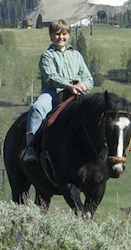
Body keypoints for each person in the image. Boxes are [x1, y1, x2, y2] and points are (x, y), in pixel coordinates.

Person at [22, 19, 93, 162]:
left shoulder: (76, 55)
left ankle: (100, 149)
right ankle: (30, 147)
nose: (61, 37)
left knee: (96, 112)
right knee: (37, 108)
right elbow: (50, 76)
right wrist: (68, 85)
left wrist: (82, 86)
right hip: (54, 93)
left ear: (69, 35)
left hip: (78, 93)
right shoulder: (47, 56)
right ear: (51, 36)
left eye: (64, 34)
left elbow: (88, 77)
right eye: (57, 34)